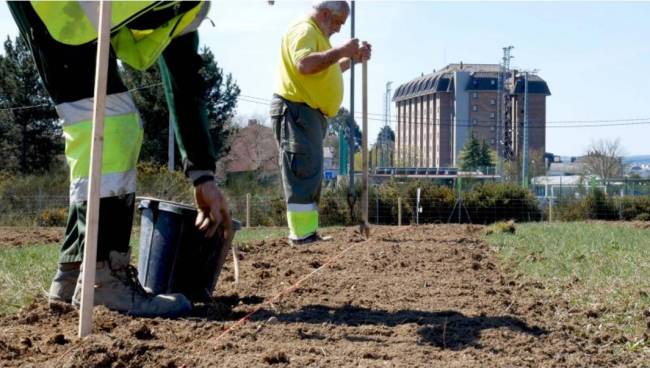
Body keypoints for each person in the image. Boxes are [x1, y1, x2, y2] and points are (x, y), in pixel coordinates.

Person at [8, 1, 232, 317]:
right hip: (62, 11)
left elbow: (183, 74)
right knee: (112, 124)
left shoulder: (186, 7)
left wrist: (202, 174)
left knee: (100, 126)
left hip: (69, 17)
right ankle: (103, 279)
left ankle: (76, 271)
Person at [270, 1, 371, 245]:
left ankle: (307, 233)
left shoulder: (318, 36)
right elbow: (304, 65)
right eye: (338, 22)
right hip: (296, 111)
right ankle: (301, 235)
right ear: (326, 14)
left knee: (310, 172)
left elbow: (327, 69)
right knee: (302, 171)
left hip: (308, 115)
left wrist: (352, 58)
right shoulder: (304, 30)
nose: (338, 29)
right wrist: (341, 51)